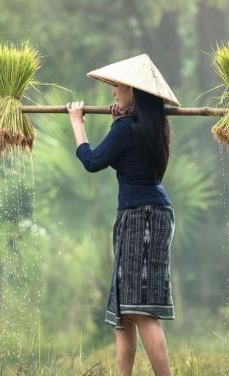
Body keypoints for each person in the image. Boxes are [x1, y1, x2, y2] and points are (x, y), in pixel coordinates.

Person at [66, 54, 180, 376]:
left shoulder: (129, 130)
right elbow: (124, 157)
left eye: (118, 87)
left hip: (141, 218)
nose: (113, 92)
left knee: (141, 312)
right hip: (148, 215)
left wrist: (77, 122)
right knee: (124, 311)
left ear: (133, 91)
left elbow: (92, 161)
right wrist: (118, 122)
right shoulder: (153, 127)